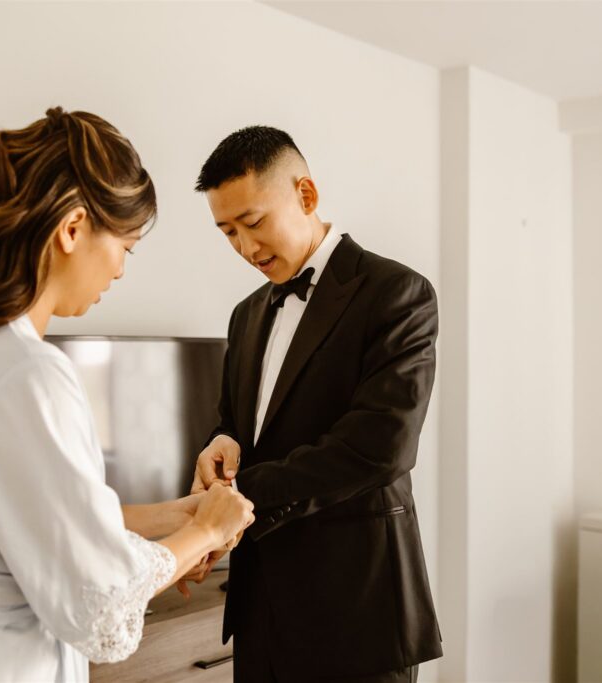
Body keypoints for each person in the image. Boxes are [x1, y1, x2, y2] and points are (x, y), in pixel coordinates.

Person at [0, 107, 254, 683]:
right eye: (126, 247)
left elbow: (29, 519)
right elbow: (98, 604)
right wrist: (203, 532)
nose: (122, 272)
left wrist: (170, 518)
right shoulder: (28, 376)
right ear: (74, 227)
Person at [188, 126, 442, 682]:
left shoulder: (398, 293)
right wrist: (221, 442)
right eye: (227, 232)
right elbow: (238, 419)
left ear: (306, 195)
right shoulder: (246, 313)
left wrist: (237, 496)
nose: (245, 249)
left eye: (253, 223)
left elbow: (380, 449)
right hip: (261, 612)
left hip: (359, 613)